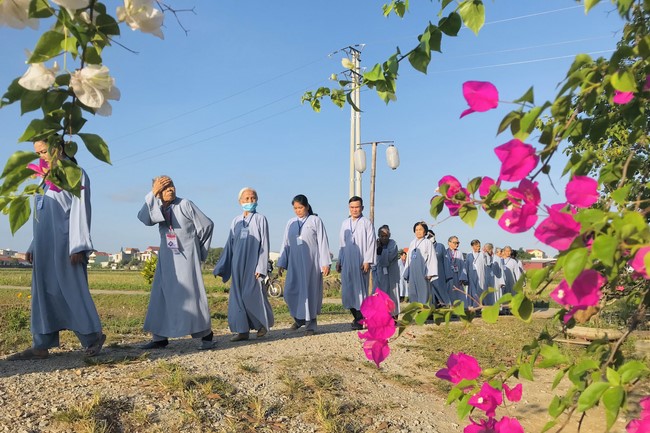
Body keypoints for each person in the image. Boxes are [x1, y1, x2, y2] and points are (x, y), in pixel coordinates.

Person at [7, 139, 105, 361]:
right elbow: (43, 215)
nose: (40, 156)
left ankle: (92, 336)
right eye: (38, 153)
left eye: (44, 151)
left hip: (66, 244)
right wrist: (33, 243)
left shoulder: (74, 173)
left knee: (72, 290)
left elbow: (81, 210)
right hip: (43, 245)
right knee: (43, 292)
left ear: (58, 148)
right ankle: (40, 344)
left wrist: (79, 245)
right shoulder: (43, 177)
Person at [137, 176, 216, 350]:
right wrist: (152, 193)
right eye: (164, 187)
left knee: (191, 294)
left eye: (171, 185)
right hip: (167, 258)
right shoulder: (155, 205)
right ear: (158, 191)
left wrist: (197, 248)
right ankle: (159, 338)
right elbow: (144, 218)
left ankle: (206, 336)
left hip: (187, 257)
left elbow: (207, 225)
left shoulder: (185, 204)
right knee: (161, 294)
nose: (170, 189)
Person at [214, 187, 274, 341]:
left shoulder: (260, 219)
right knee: (238, 298)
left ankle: (262, 325)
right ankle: (242, 331)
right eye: (246, 199)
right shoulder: (235, 221)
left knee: (252, 295)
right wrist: (222, 266)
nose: (250, 201)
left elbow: (264, 244)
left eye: (253, 198)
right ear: (240, 201)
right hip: (237, 265)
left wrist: (261, 267)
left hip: (253, 265)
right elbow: (229, 245)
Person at [277, 194, 331, 336]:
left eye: (300, 207)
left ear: (306, 206)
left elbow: (323, 242)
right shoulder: (290, 223)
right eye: (295, 208)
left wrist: (325, 263)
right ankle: (299, 318)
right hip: (294, 263)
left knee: (310, 293)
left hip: (311, 263)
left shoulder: (315, 220)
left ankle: (310, 325)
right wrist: (282, 262)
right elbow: (285, 243)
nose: (298, 211)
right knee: (289, 291)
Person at [336, 196, 376, 330]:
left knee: (360, 292)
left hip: (360, 263)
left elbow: (371, 243)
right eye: (352, 207)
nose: (354, 210)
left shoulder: (366, 223)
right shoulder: (345, 223)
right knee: (348, 291)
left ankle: (361, 319)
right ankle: (358, 317)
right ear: (349, 208)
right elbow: (342, 244)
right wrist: (339, 260)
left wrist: (367, 260)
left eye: (357, 207)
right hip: (347, 262)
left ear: (362, 208)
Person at [404, 222, 438, 304]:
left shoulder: (427, 242)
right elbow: (408, 259)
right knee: (413, 292)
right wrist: (407, 272)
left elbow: (432, 258)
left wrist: (430, 273)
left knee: (424, 293)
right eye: (416, 230)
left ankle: (425, 313)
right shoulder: (412, 243)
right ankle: (415, 311)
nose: (418, 232)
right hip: (412, 273)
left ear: (425, 231)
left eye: (420, 229)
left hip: (423, 273)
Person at [371, 225, 401, 316]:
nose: (384, 238)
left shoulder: (393, 244)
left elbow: (387, 259)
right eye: (382, 236)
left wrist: (380, 250)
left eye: (386, 236)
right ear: (378, 236)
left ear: (389, 235)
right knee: (377, 295)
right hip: (379, 275)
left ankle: (393, 316)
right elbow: (373, 259)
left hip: (391, 274)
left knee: (392, 295)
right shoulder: (375, 244)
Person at [465, 239, 491, 309]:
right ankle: (472, 306)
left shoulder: (482, 254)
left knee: (480, 290)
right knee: (472, 291)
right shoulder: (469, 255)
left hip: (481, 275)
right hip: (471, 275)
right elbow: (466, 266)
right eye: (476, 246)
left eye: (479, 246)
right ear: (472, 246)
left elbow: (488, 263)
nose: (478, 248)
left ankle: (480, 306)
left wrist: (487, 254)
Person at [427, 230, 449, 307]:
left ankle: (445, 308)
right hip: (428, 276)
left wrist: (448, 276)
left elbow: (446, 261)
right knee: (430, 294)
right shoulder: (425, 247)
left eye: (431, 235)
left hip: (440, 275)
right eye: (427, 236)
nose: (429, 237)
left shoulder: (440, 246)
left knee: (441, 293)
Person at [444, 236, 467, 306]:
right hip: (448, 276)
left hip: (457, 276)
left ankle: (460, 309)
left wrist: (462, 277)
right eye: (455, 243)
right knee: (450, 292)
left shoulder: (459, 253)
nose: (456, 244)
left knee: (458, 293)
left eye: (458, 243)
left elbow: (463, 266)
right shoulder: (445, 252)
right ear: (449, 243)